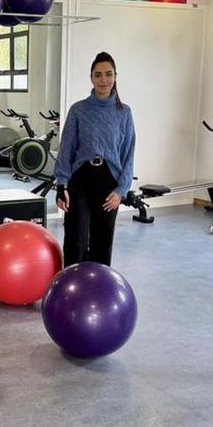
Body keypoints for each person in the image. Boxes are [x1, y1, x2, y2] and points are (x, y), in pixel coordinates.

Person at [54, 52, 135, 267]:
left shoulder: (124, 112)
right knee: (76, 239)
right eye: (98, 75)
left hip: (109, 182)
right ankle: (72, 284)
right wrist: (61, 185)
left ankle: (100, 287)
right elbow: (66, 149)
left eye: (108, 74)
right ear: (91, 78)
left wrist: (121, 189)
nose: (103, 80)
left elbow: (128, 153)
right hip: (80, 179)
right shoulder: (78, 110)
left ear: (115, 77)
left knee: (102, 241)